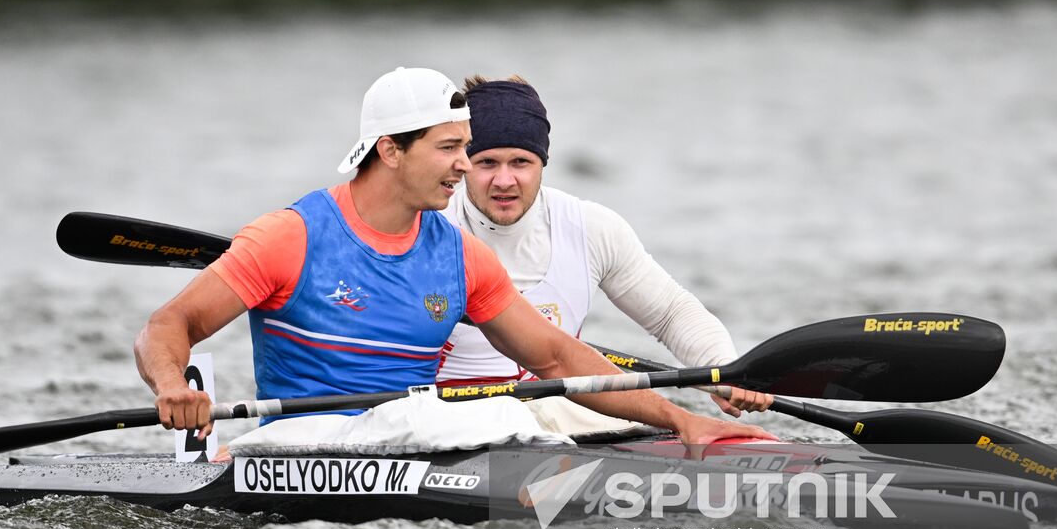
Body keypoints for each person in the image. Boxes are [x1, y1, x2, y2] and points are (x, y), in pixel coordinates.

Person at [134, 66, 771, 447]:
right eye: (452, 150)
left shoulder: (459, 255)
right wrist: (171, 385)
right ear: (389, 151)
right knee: (495, 415)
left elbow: (557, 357)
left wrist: (678, 420)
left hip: (418, 438)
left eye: (473, 148)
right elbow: (168, 327)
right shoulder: (287, 238)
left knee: (507, 409)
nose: (467, 167)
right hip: (305, 442)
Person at [437, 75, 772, 423]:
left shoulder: (590, 228)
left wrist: (724, 370)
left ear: (542, 163)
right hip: (456, 421)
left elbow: (672, 313)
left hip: (559, 415)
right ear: (462, 163)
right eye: (487, 163)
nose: (504, 181)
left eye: (520, 162)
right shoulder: (429, 231)